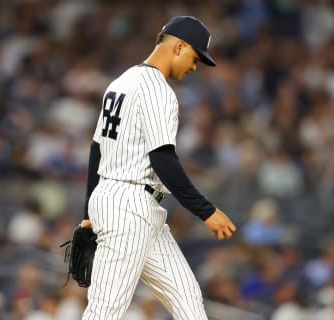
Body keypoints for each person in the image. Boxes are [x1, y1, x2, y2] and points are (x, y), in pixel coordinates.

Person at [79, 16, 237, 320]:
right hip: (129, 207)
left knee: (189, 302)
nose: (195, 67)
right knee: (104, 312)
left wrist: (88, 213)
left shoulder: (121, 81)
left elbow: (96, 149)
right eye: (196, 57)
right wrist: (206, 211)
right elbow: (163, 159)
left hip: (134, 205)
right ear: (179, 46)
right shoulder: (157, 89)